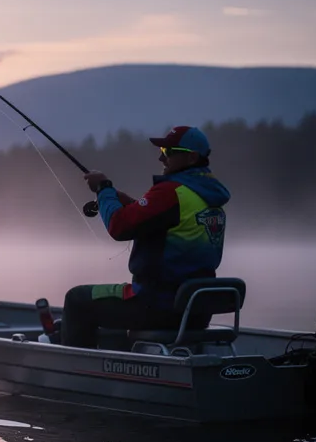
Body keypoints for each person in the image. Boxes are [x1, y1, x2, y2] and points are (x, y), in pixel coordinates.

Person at [58, 126, 231, 349]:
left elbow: (118, 227)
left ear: (191, 157)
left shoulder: (171, 192)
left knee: (76, 300)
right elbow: (165, 221)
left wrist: (103, 189)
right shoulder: (207, 196)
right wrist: (124, 200)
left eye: (169, 151)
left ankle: (77, 375)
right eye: (162, 149)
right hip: (195, 311)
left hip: (156, 305)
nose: (161, 156)